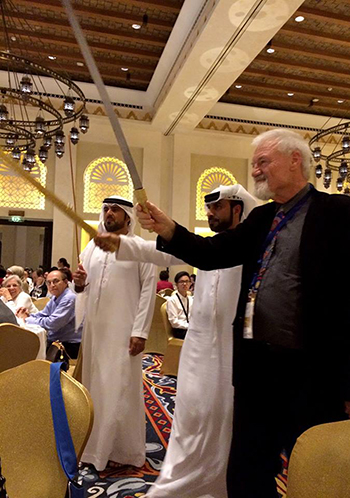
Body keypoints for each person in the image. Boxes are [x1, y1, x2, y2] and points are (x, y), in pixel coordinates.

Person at [133, 129, 350, 498]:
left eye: (263, 162)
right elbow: (213, 253)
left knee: (315, 467)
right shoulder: (263, 218)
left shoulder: (337, 214)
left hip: (311, 370)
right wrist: (167, 227)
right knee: (247, 467)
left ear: (295, 160)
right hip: (255, 367)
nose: (256, 171)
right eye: (254, 165)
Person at [94, 184, 257, 498]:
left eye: (217, 207)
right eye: (208, 208)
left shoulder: (246, 249)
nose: (209, 213)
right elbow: (162, 251)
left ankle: (216, 482)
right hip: (198, 348)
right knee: (189, 413)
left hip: (229, 353)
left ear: (237, 209)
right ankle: (179, 478)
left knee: (221, 421)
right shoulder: (210, 246)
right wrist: (122, 244)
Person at [72, 195, 156, 472]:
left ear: (128, 217)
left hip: (124, 331)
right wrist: (81, 284)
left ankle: (121, 449)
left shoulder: (141, 248)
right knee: (94, 384)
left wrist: (140, 331)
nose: (109, 213)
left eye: (115, 210)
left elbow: (148, 292)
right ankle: (93, 446)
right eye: (106, 209)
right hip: (96, 330)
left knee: (119, 387)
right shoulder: (92, 248)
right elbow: (84, 289)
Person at [17, 269, 81, 358]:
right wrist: (29, 315)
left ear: (66, 282)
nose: (52, 285)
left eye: (56, 281)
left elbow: (52, 323)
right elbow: (43, 314)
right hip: (56, 342)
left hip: (68, 347)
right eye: (49, 283)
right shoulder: (56, 297)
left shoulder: (69, 298)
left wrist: (27, 319)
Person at [166, 271, 193, 339]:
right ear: (176, 284)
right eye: (181, 282)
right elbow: (174, 322)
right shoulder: (172, 300)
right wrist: (189, 326)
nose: (184, 284)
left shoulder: (190, 299)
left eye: (187, 281)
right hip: (180, 330)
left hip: (189, 328)